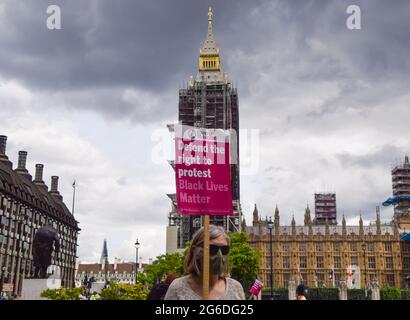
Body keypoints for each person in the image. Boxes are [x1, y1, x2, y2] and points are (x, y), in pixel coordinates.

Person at [164, 225, 245, 300]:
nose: (219, 255)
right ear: (195, 250)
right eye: (212, 249)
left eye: (224, 249)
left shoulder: (236, 288)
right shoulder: (178, 289)